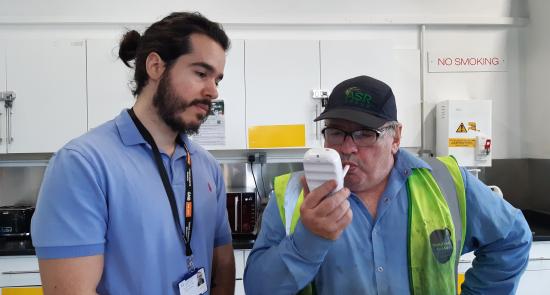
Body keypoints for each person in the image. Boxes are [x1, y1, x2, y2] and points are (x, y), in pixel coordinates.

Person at [244, 75, 532, 295]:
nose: (348, 148)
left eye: (365, 134)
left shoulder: (446, 181)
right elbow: (259, 288)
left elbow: (512, 239)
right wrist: (307, 239)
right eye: (335, 132)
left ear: (395, 138)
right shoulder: (291, 196)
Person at [31, 12, 235, 295]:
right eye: (201, 73)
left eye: (218, 79)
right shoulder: (82, 165)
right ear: (155, 66)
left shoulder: (207, 167)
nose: (213, 91)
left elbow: (221, 267)